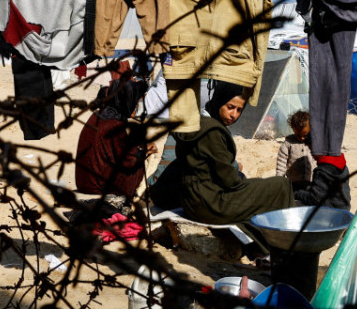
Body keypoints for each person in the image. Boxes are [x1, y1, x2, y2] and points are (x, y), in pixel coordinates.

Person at [148, 80, 294, 227]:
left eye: (238, 110)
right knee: (281, 185)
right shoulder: (212, 131)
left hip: (190, 200)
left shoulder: (195, 123)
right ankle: (285, 237)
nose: (233, 115)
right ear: (219, 101)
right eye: (230, 107)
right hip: (210, 205)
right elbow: (229, 181)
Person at [74, 61, 152, 215]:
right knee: (137, 161)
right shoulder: (113, 124)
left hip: (85, 180)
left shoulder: (99, 116)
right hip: (95, 184)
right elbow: (125, 159)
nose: (135, 105)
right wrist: (143, 151)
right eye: (135, 100)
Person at [276, 111, 316, 193]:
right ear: (293, 129)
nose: (301, 138)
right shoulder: (289, 143)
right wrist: (280, 180)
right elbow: (281, 163)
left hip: (312, 182)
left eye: (305, 135)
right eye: (298, 135)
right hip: (294, 182)